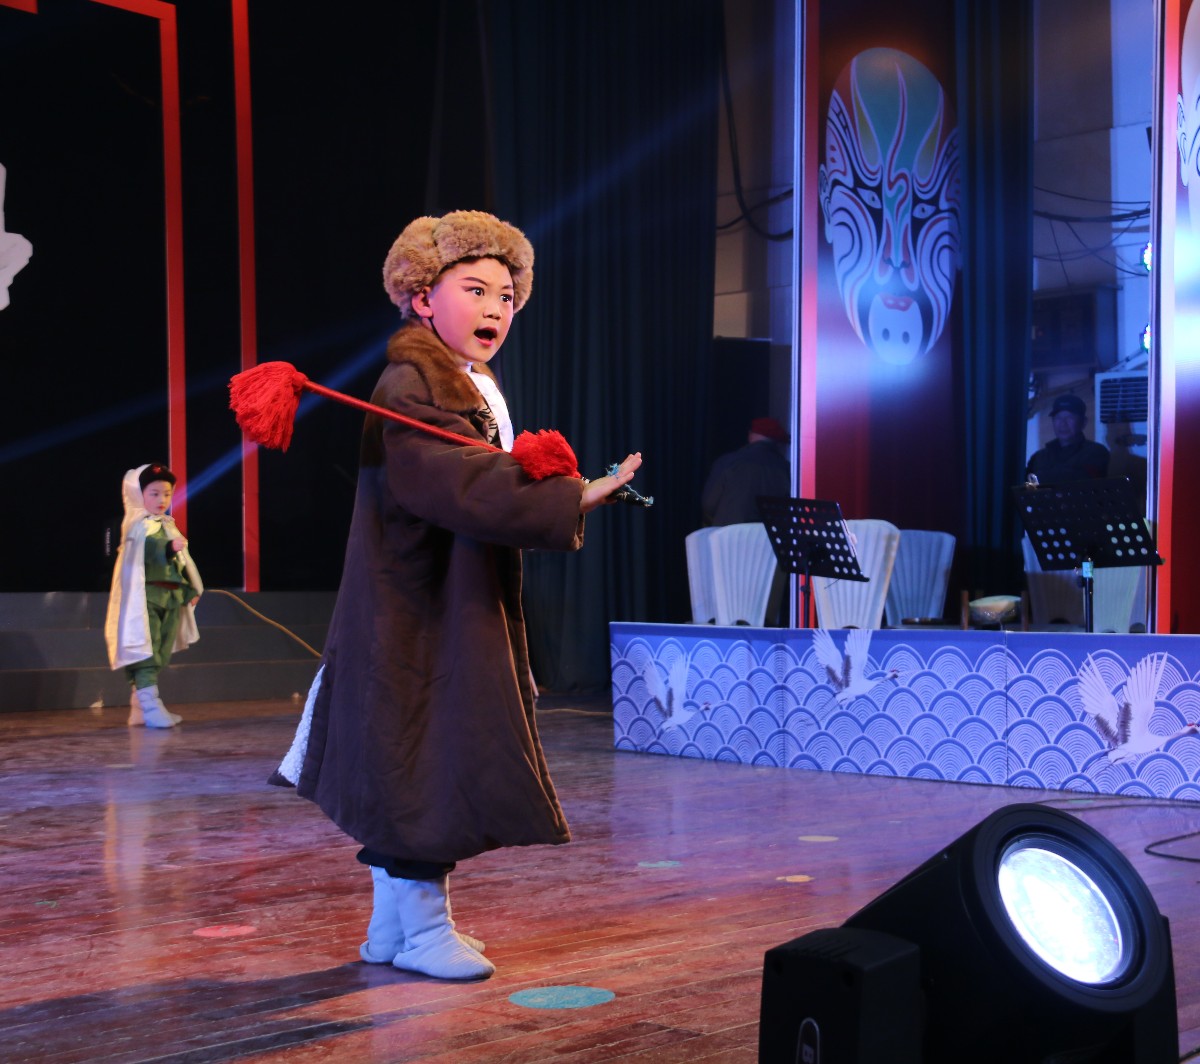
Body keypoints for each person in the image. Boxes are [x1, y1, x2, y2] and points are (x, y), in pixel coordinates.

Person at [275, 210, 643, 982]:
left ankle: (392, 931)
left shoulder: (468, 381)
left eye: (506, 297)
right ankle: (424, 929)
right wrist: (569, 495)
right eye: (474, 290)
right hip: (417, 608)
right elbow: (447, 480)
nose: (495, 308)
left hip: (442, 597)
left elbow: (476, 473)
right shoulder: (414, 380)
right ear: (422, 298)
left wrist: (551, 485)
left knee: (412, 755)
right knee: (422, 759)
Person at [104, 463, 202, 729]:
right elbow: (145, 550)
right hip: (146, 600)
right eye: (154, 493)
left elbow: (178, 566)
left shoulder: (167, 526)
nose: (162, 499)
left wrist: (190, 591)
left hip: (169, 599)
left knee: (161, 651)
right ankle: (150, 706)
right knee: (146, 650)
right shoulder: (136, 526)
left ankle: (139, 708)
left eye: (167, 494)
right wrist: (168, 547)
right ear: (139, 494)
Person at [701, 416, 791, 527]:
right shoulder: (786, 468)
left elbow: (709, 504)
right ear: (777, 443)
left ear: (751, 435)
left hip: (729, 534)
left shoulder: (728, 462)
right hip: (768, 536)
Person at [1025, 393, 1110, 485]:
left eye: (1070, 417)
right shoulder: (1039, 457)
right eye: (1058, 418)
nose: (1063, 423)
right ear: (1053, 421)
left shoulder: (1096, 452)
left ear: (1083, 422)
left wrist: (1038, 477)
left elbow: (1082, 480)